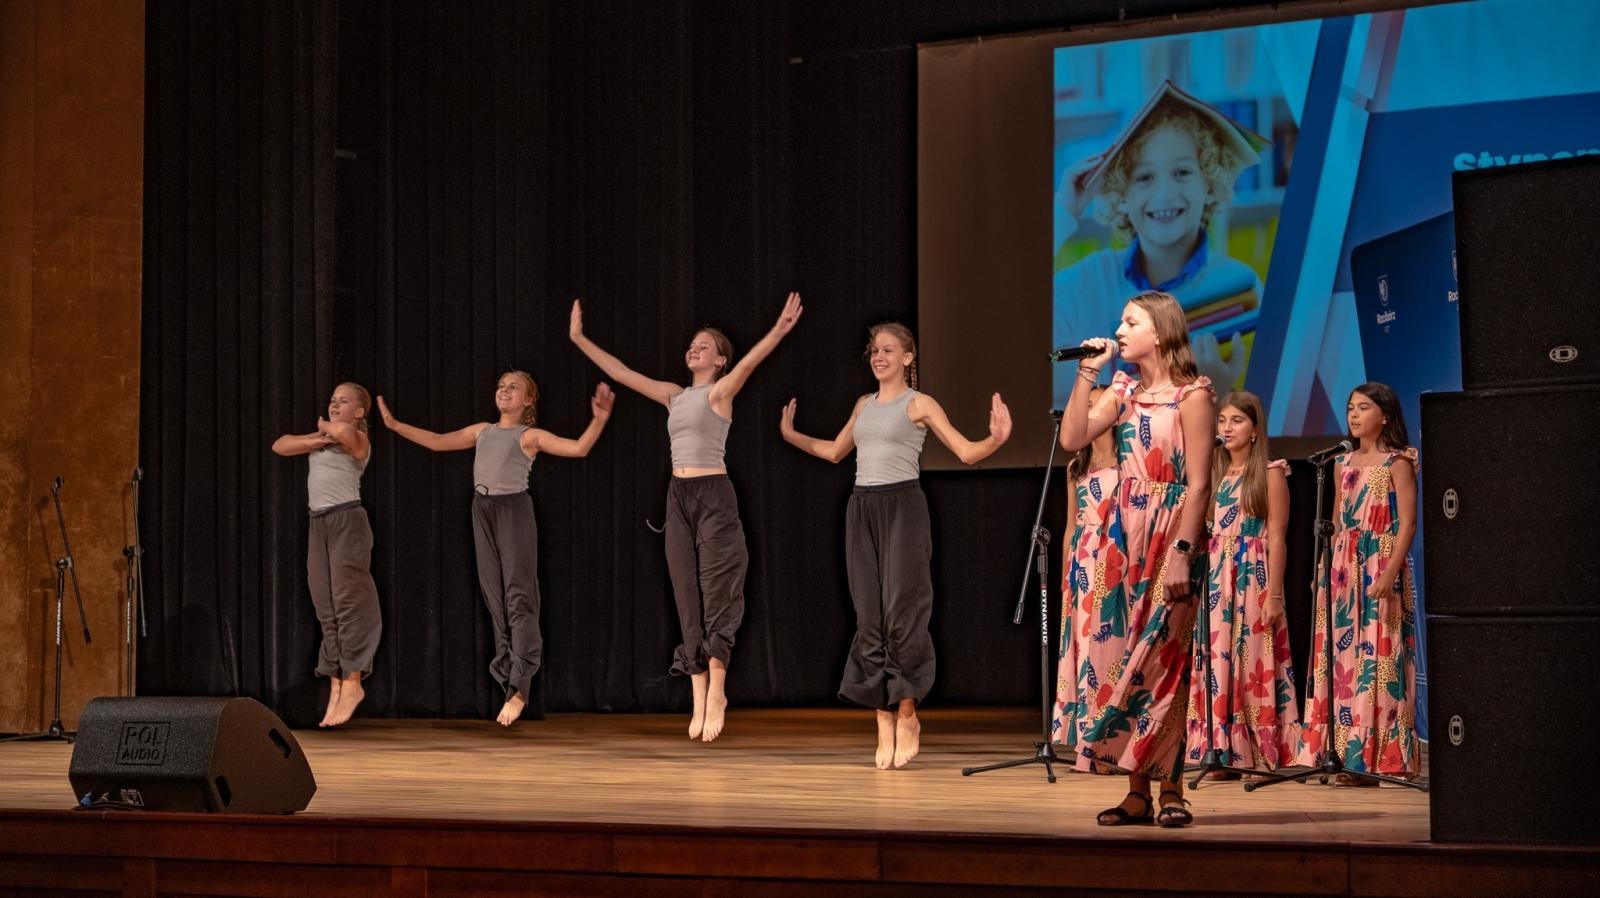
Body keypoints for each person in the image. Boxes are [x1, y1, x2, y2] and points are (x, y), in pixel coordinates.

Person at [569, 293, 803, 742]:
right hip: (678, 495)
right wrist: (580, 338)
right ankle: (697, 688)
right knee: (684, 590)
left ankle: (717, 688)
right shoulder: (674, 396)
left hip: (714, 494)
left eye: (704, 346)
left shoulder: (720, 392)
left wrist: (777, 329)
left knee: (719, 589)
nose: (694, 349)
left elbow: (750, 365)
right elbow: (622, 373)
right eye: (691, 345)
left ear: (718, 360)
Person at [780, 322, 1012, 769]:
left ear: (908, 358)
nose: (878, 356)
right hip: (862, 507)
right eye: (873, 351)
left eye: (888, 350)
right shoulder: (864, 404)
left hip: (903, 506)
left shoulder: (918, 403)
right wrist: (791, 435)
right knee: (869, 615)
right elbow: (834, 453)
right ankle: (881, 716)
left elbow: (965, 452)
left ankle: (907, 710)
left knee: (902, 613)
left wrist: (997, 440)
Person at [377, 373, 614, 726]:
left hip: (512, 511)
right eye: (501, 385)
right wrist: (396, 426)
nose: (504, 390)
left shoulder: (528, 436)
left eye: (513, 387)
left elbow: (578, 448)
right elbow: (438, 441)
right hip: (482, 509)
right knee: (495, 599)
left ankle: (520, 687)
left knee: (519, 597)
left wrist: (599, 419)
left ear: (529, 401)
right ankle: (508, 677)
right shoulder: (481, 431)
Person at [1059, 290, 1213, 827]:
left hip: (1172, 532)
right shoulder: (1122, 389)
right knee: (1128, 663)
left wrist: (1182, 553)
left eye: (1130, 322)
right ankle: (1137, 791)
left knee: (1166, 664)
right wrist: (1086, 373)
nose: (1119, 330)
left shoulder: (1192, 396)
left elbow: (1199, 485)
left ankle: (1172, 789)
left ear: (1161, 331)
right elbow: (1073, 436)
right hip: (1123, 539)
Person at [1053, 80, 1268, 398]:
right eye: (1144, 177)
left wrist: (1218, 394)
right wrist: (1062, 214)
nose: (1164, 193)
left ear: (1208, 184)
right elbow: (1017, 319)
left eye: (1182, 172)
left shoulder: (1242, 287)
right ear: (1122, 194)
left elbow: (1262, 407)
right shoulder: (1086, 282)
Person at [1296, 382, 1419, 781]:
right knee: (1341, 659)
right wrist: (1320, 569)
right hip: (1343, 565)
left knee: (1377, 659)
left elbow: (1408, 525)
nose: (1353, 415)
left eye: (1363, 408)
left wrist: (1389, 572)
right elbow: (1331, 521)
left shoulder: (1397, 462)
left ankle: (1375, 757)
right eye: (1350, 408)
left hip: (1380, 561)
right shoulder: (1341, 464)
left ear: (1384, 415)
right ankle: (1342, 751)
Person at [1186, 391, 1299, 775]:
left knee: (1251, 662)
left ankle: (1254, 749)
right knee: (1217, 661)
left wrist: (1275, 594)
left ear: (1254, 429)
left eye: (1237, 420)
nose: (1227, 428)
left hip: (1253, 578)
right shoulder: (1214, 474)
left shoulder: (1268, 472)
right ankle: (1219, 749)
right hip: (1217, 581)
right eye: (1222, 421)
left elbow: (1277, 537)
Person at [272, 382, 382, 728]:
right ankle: (335, 680)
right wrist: (316, 439)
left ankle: (353, 681)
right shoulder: (326, 439)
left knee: (350, 599)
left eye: (343, 401)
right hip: (318, 522)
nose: (334, 405)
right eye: (332, 401)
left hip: (346, 519)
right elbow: (280, 445)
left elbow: (341, 433)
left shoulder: (358, 440)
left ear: (360, 411)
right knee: (325, 601)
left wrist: (325, 427)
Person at [1051, 386, 1121, 752]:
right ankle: (1084, 732)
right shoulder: (1075, 468)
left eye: (1096, 407)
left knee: (1109, 643)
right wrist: (1066, 574)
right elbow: (1070, 525)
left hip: (1115, 558)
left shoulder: (1128, 465)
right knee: (1083, 643)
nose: (1089, 414)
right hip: (1082, 561)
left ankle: (1112, 730)